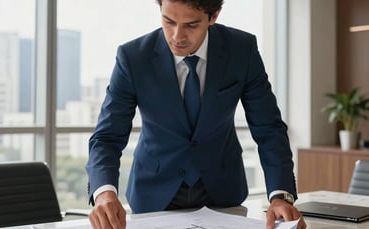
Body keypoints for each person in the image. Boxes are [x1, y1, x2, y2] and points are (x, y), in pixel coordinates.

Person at [86, 0, 307, 228]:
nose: (177, 36)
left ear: (214, 16)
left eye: (191, 25)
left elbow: (268, 128)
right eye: (168, 21)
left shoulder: (242, 50)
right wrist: (104, 193)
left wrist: (281, 195)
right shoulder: (133, 57)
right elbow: (107, 137)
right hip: (153, 196)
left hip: (223, 195)